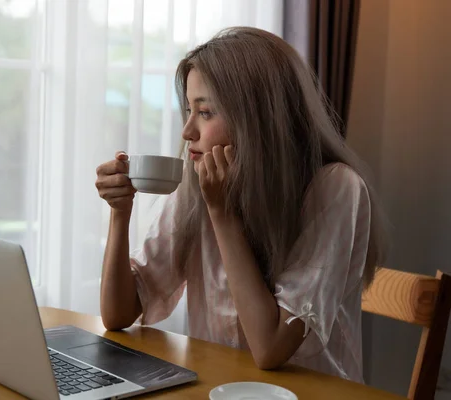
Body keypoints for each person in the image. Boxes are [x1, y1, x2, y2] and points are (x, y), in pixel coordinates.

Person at [94, 27, 387, 383]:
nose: (187, 131)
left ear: (257, 119)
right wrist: (120, 214)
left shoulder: (335, 189)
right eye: (188, 109)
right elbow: (118, 313)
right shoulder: (198, 185)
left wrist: (222, 214)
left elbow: (269, 347)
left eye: (204, 112)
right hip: (219, 389)